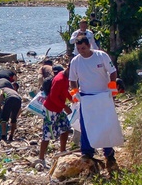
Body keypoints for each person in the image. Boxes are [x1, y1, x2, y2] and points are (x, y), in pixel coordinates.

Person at [68, 36, 119, 172]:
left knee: (105, 124)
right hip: (86, 97)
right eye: (78, 49)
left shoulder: (101, 56)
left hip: (102, 96)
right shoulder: (76, 61)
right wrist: (74, 92)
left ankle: (108, 154)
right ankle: (87, 153)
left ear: (89, 45)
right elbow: (72, 79)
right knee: (86, 126)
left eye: (83, 48)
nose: (81, 51)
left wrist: (112, 87)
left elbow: (112, 71)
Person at [38, 62, 73, 169]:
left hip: (58, 108)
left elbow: (65, 91)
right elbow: (53, 97)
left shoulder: (67, 78)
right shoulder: (59, 79)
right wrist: (65, 107)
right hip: (50, 109)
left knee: (66, 128)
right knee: (47, 134)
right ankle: (41, 158)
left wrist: (72, 98)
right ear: (68, 68)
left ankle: (62, 150)